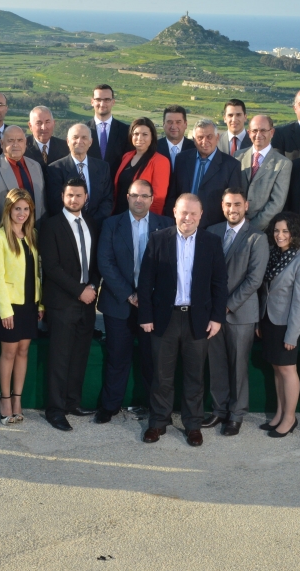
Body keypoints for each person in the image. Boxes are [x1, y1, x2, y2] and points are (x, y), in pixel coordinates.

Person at [137, 194, 228, 447]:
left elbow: (220, 283)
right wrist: (145, 315)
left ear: (201, 215)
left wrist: (217, 318)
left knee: (194, 376)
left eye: (193, 213)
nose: (187, 218)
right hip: (164, 318)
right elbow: (145, 282)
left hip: (197, 320)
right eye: (183, 212)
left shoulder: (211, 242)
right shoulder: (158, 239)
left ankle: (193, 425)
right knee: (161, 375)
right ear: (174, 212)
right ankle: (157, 423)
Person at [96, 179, 173, 422]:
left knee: (154, 360)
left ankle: (157, 410)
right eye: (134, 195)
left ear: (152, 199)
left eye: (144, 196)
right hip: (118, 303)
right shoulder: (111, 224)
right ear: (127, 197)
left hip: (153, 305)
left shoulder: (166, 225)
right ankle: (109, 407)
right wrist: (130, 295)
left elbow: (170, 266)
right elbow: (105, 263)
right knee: (117, 357)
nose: (139, 200)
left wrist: (147, 296)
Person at [202, 189, 268, 436]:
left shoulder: (257, 237)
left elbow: (254, 280)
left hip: (240, 314)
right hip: (212, 314)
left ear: (246, 206)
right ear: (222, 206)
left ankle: (236, 415)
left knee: (238, 367)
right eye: (228, 204)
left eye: (237, 204)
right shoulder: (212, 232)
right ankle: (219, 411)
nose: (233, 209)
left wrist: (226, 305)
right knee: (216, 365)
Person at [38, 179, 101, 431]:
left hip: (87, 302)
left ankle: (72, 402)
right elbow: (51, 267)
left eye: (78, 195)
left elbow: (96, 263)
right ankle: (55, 410)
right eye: (69, 195)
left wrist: (93, 288)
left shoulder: (92, 224)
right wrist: (79, 291)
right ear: (62, 197)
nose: (74, 199)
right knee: (59, 358)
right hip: (62, 303)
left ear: (86, 197)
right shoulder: (50, 225)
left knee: (79, 356)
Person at [0, 189, 43, 425]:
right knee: (9, 353)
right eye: (17, 208)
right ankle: (5, 399)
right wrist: (5, 309)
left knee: (23, 352)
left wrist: (41, 303)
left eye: (26, 209)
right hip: (9, 305)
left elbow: (37, 274)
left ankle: (18, 399)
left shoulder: (33, 235)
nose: (21, 213)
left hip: (31, 304)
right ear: (8, 210)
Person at [257, 212, 300, 438]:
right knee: (277, 369)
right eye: (277, 230)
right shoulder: (272, 254)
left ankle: (290, 418)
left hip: (287, 324)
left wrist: (292, 334)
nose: (280, 235)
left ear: (295, 234)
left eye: (285, 231)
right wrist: (260, 320)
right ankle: (280, 413)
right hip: (269, 320)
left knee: (288, 370)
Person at [169, 119, 241, 228]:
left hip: (213, 227)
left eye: (209, 137)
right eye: (200, 138)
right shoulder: (182, 159)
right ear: (194, 140)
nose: (204, 141)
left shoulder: (231, 165)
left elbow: (232, 202)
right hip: (182, 225)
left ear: (217, 138)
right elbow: (173, 194)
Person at [0, 125, 47, 227]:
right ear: (2, 143)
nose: (15, 144)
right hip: (5, 236)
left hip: (35, 234)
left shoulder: (36, 166)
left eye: (20, 140)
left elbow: (41, 204)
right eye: (11, 140)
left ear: (25, 143)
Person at [46, 123, 114, 225]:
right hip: (68, 227)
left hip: (97, 226)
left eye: (84, 138)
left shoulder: (103, 167)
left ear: (90, 142)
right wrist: (77, 222)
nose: (79, 141)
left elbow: (108, 200)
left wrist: (92, 222)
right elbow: (56, 204)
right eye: (75, 137)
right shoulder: (55, 168)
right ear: (68, 141)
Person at [238, 115, 292, 232]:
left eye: (263, 130)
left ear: (271, 132)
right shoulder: (237, 157)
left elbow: (276, 203)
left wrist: (252, 226)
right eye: (254, 131)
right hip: (236, 223)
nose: (258, 135)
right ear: (248, 132)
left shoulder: (283, 163)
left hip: (262, 230)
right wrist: (238, 221)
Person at [112, 118, 171, 216]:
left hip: (141, 218)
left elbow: (158, 199)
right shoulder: (126, 156)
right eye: (136, 134)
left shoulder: (160, 161)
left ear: (152, 137)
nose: (140, 138)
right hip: (119, 214)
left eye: (145, 134)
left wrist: (149, 222)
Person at [87, 84, 131, 170]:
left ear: (113, 102)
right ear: (92, 102)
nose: (102, 104)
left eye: (107, 100)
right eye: (98, 99)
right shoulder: (83, 130)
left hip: (117, 182)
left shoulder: (126, 131)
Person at [156, 105, 195, 171]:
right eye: (169, 122)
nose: (173, 126)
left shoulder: (195, 149)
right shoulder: (154, 148)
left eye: (178, 122)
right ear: (163, 124)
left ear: (186, 124)